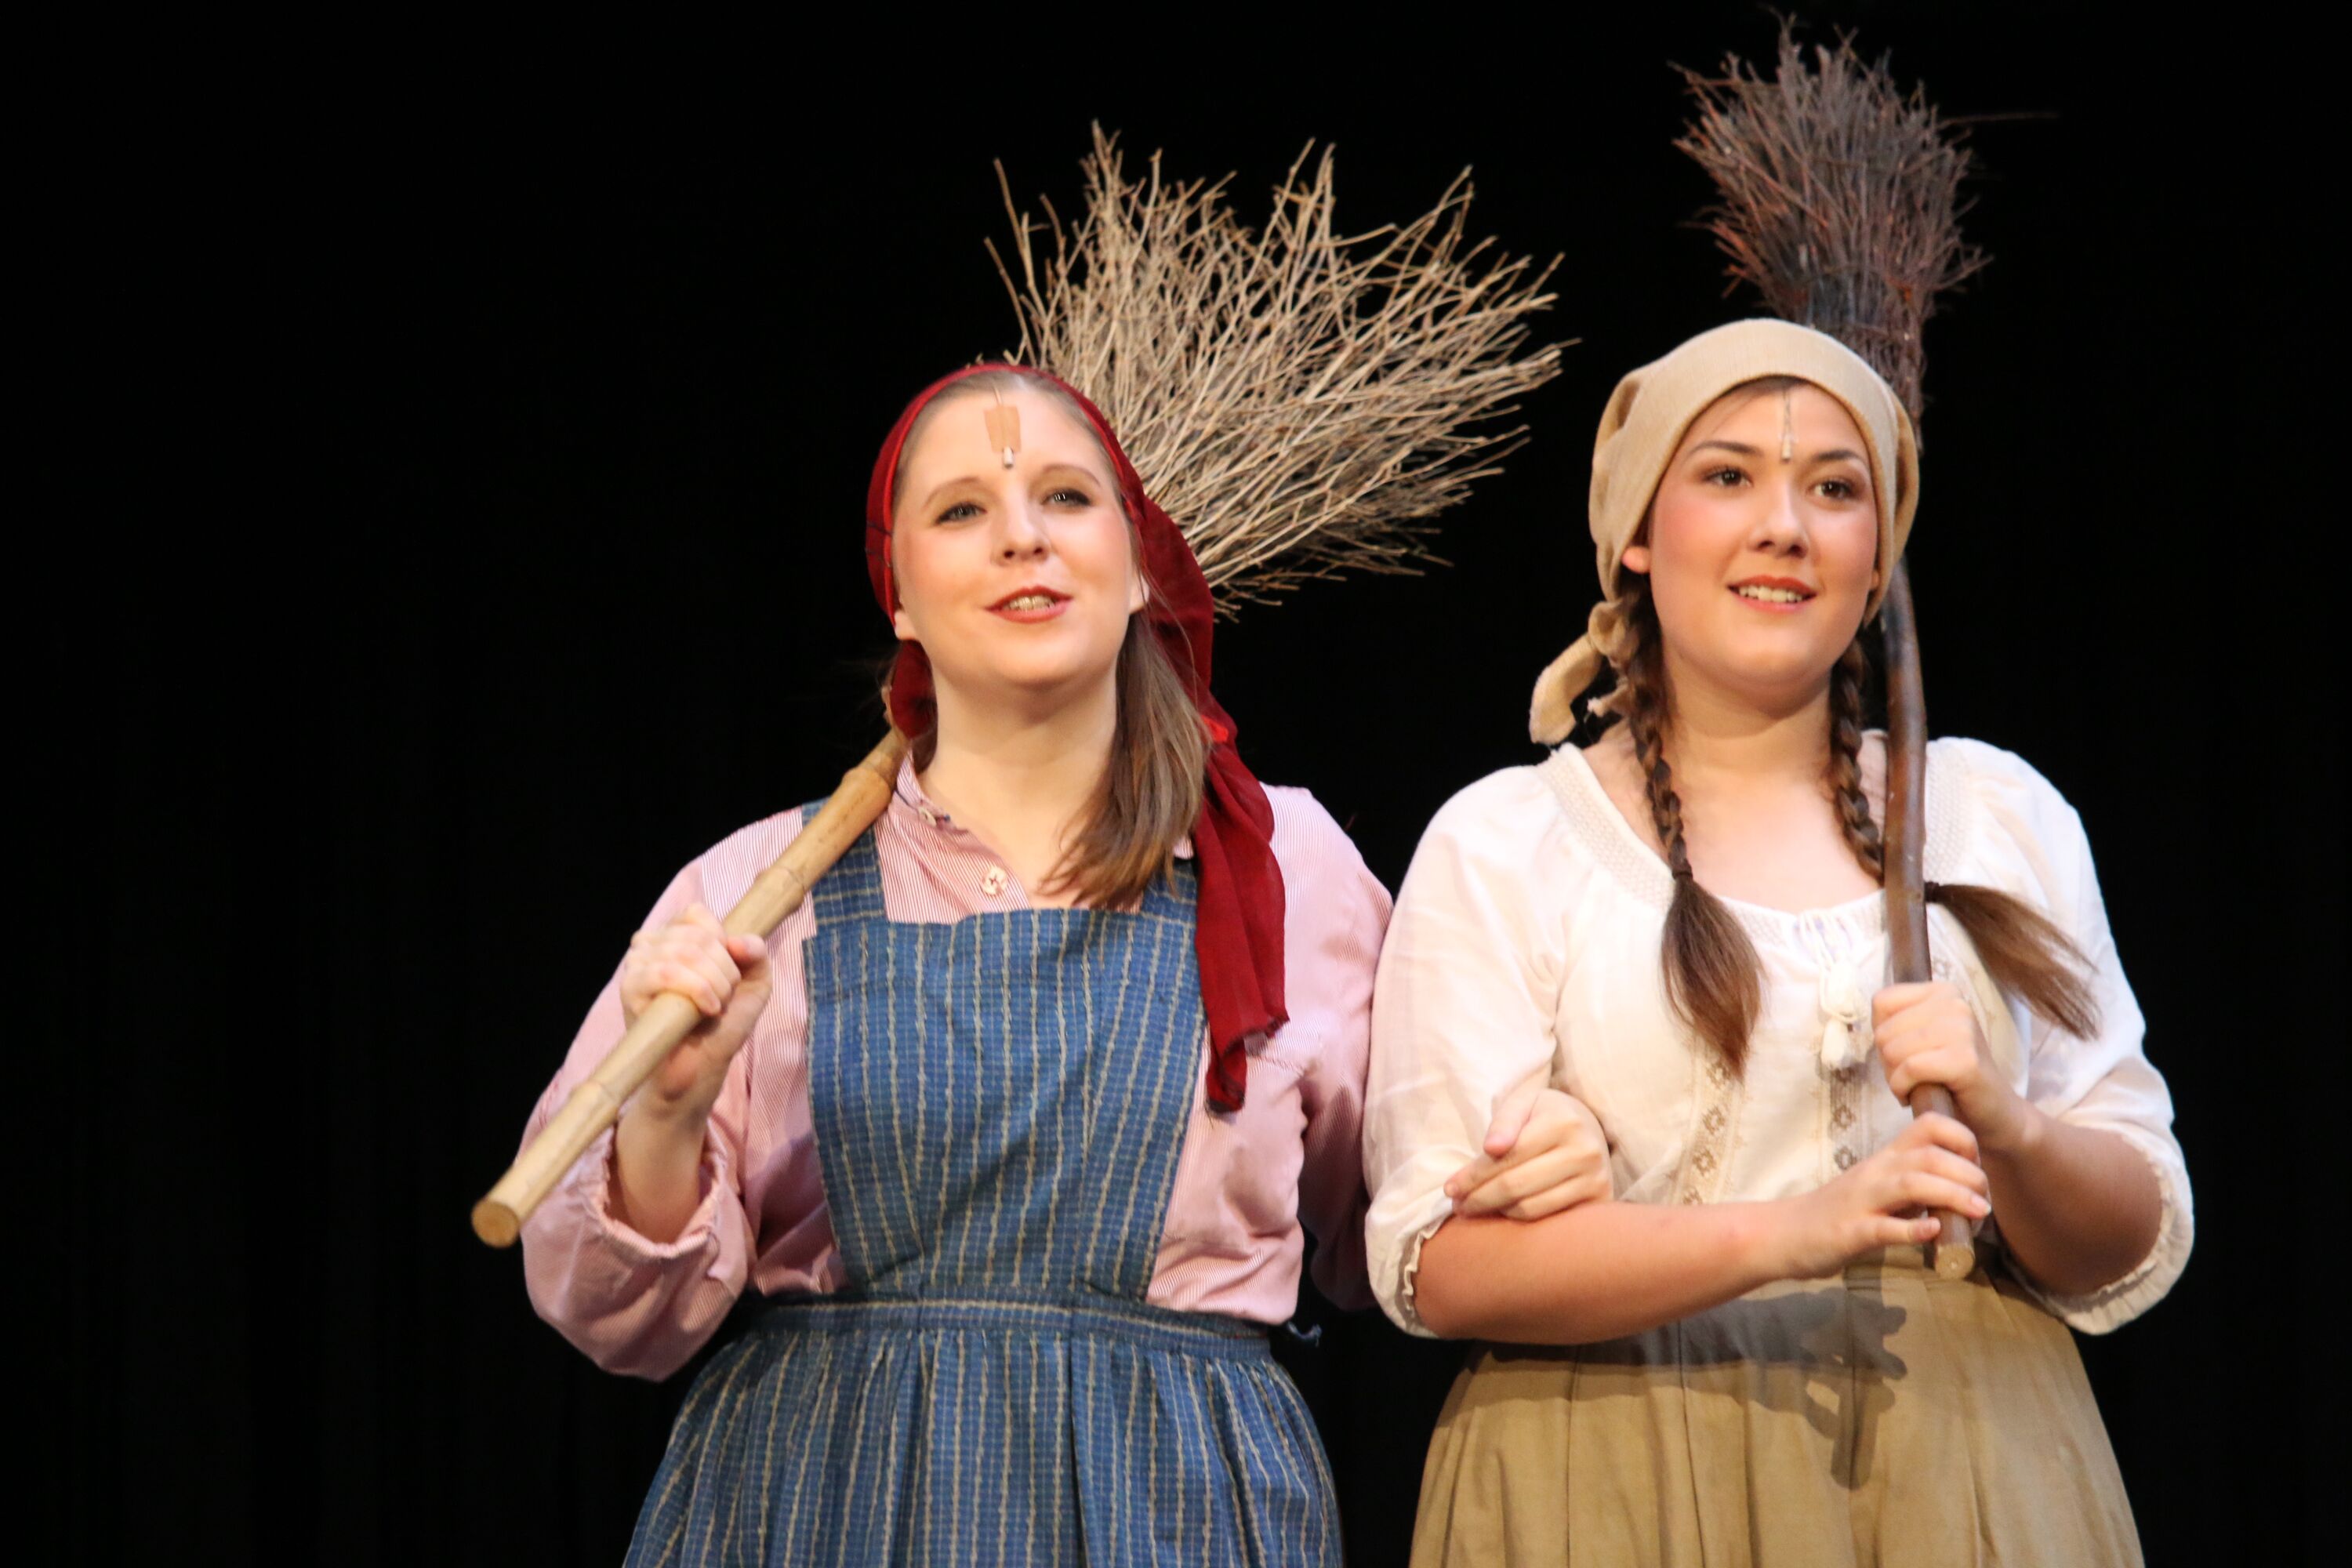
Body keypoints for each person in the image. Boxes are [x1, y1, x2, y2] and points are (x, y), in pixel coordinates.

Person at [517, 363, 1598, 1566]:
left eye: (1068, 498)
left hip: (1178, 1511)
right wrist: (665, 1118)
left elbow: (1400, 1219)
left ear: (1139, 568)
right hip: (817, 1503)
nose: (1022, 536)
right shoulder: (754, 895)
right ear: (900, 598)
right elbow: (616, 1320)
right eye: (961, 510)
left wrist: (1531, 1147)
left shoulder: (1286, 868)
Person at [1362, 320, 2192, 1566]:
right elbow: (1437, 1263)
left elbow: (2127, 1236)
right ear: (1639, 536)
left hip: (1963, 1465)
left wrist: (2006, 1126)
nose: (1785, 527)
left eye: (1835, 490)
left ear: (1877, 558)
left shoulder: (1992, 817)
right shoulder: (1509, 842)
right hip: (1619, 1471)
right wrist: (1797, 1230)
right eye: (1728, 475)